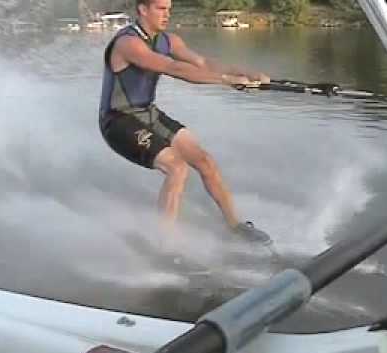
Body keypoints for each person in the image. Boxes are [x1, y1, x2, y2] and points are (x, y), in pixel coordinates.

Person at [99, 0, 271, 244]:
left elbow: (202, 63)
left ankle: (236, 227)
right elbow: (173, 67)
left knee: (204, 161)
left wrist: (245, 73)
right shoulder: (128, 44)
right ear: (142, 9)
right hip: (118, 120)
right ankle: (164, 242)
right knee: (177, 168)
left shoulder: (169, 41)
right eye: (160, 8)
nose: (166, 14)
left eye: (169, 9)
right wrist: (225, 80)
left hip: (147, 113)